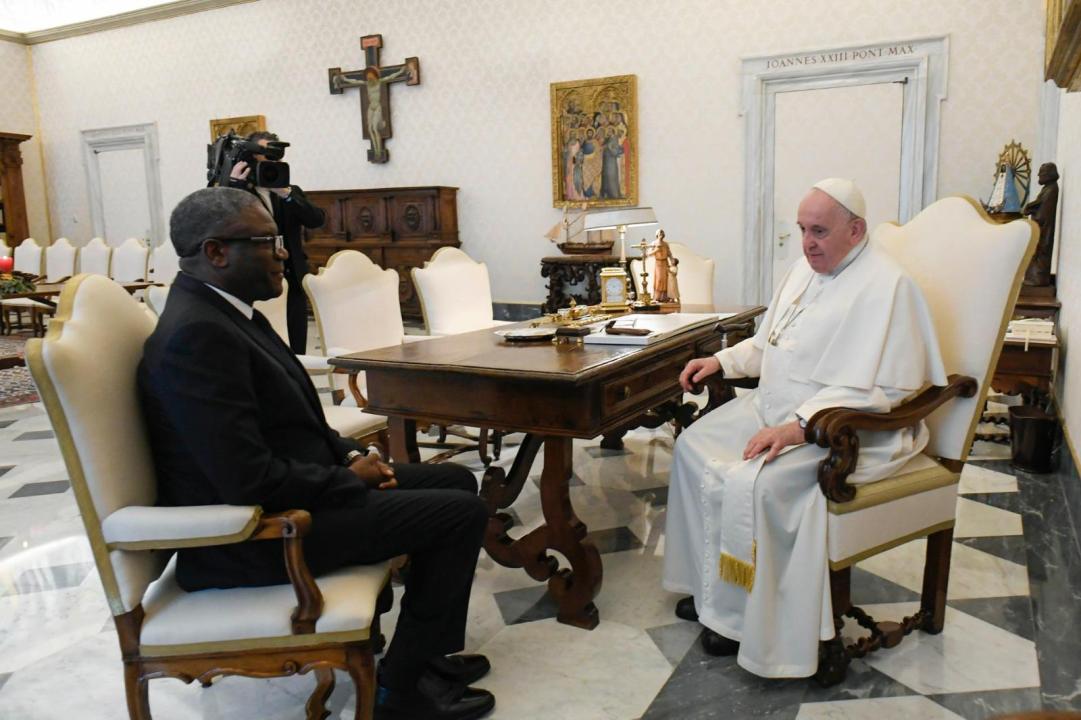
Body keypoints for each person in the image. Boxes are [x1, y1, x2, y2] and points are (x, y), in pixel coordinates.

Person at [138, 187, 495, 720]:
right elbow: (246, 479)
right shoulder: (196, 336)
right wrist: (354, 481)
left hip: (296, 497)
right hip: (255, 536)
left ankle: (422, 656)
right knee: (460, 514)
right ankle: (399, 691)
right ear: (216, 252)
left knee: (457, 484)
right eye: (269, 241)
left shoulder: (230, 313)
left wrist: (351, 455)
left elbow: (296, 421)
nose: (285, 253)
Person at [662, 178, 946, 678]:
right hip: (772, 410)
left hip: (846, 432)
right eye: (802, 230)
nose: (807, 243)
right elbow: (771, 341)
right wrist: (722, 362)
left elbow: (884, 391)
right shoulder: (801, 270)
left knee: (762, 482)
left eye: (819, 231)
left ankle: (755, 620)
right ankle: (715, 595)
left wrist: (797, 429)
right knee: (691, 446)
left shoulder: (889, 285)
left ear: (855, 230)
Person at [226, 130, 324, 355]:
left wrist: (286, 193)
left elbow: (316, 219)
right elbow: (229, 225)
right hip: (253, 278)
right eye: (266, 155)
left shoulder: (289, 190)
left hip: (291, 277)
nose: (273, 162)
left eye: (276, 157)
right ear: (251, 158)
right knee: (261, 346)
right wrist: (235, 187)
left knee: (297, 345)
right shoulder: (236, 191)